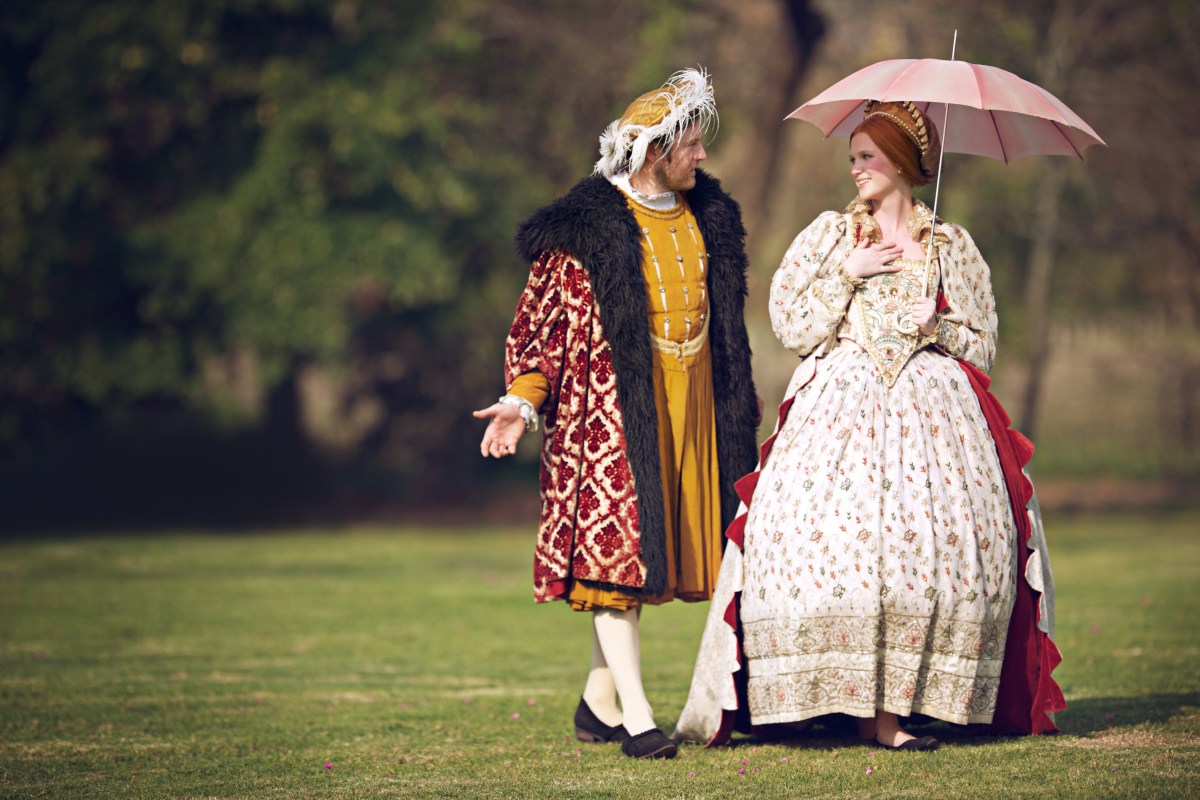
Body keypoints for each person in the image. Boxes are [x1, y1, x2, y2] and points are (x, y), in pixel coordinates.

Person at [673, 100, 1064, 751]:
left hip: (935, 418)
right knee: (833, 548)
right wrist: (844, 278)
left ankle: (903, 705)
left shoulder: (952, 246)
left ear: (905, 163)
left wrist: (935, 322)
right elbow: (791, 325)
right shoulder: (830, 236)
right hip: (841, 411)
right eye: (853, 157)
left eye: (868, 157)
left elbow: (985, 343)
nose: (856, 169)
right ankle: (847, 707)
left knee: (931, 553)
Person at [473, 68, 759, 760]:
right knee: (616, 563)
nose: (702, 157)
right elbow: (542, 331)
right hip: (610, 421)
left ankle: (598, 702)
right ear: (656, 151)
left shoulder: (709, 216)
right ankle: (636, 720)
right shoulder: (586, 230)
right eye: (692, 145)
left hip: (694, 413)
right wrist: (520, 401)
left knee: (655, 565)